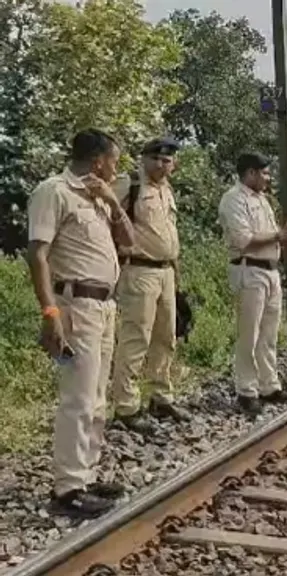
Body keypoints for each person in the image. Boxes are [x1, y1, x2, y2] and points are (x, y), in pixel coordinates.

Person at [27, 128, 136, 516]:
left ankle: (85, 474)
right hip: (76, 306)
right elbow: (37, 255)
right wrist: (50, 312)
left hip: (104, 307)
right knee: (78, 396)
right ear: (98, 160)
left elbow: (130, 242)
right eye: (114, 162)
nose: (116, 168)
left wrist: (112, 201)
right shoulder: (53, 191)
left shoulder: (99, 196)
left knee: (98, 398)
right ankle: (67, 488)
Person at [110, 137, 189, 434]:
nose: (161, 164)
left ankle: (160, 396)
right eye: (155, 158)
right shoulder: (128, 184)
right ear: (143, 159)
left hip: (165, 271)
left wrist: (177, 278)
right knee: (135, 338)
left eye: (167, 160)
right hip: (138, 270)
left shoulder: (167, 190)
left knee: (165, 337)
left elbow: (169, 235)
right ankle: (127, 406)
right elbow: (106, 219)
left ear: (174, 164)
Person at [218, 152, 287, 415]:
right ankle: (246, 390)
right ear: (251, 173)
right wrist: (279, 234)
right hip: (249, 270)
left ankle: (269, 385)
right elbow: (244, 239)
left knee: (268, 334)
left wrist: (283, 237)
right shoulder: (234, 199)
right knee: (249, 334)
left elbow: (268, 236)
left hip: (270, 270)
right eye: (264, 173)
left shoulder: (263, 201)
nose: (268, 178)